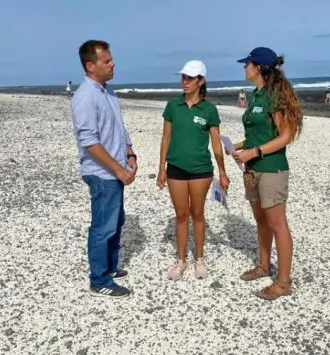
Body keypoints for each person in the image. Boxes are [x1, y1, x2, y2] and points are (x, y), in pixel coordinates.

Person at [230, 47, 303, 300]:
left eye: (247, 64)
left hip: (272, 169)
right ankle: (263, 266)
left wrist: (254, 152)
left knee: (277, 224)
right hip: (253, 168)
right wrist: (237, 146)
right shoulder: (255, 95)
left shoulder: (274, 96)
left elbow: (286, 136)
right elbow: (259, 133)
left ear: (258, 67)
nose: (244, 68)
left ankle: (283, 282)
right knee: (261, 220)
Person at [71, 40, 138, 298]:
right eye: (107, 61)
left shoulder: (107, 92)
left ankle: (109, 267)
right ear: (90, 65)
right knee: (103, 226)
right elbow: (89, 142)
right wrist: (118, 170)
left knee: (116, 220)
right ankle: (99, 279)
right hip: (102, 174)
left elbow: (119, 129)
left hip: (116, 170)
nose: (113, 64)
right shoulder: (85, 97)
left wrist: (130, 153)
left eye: (111, 59)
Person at [156, 60, 230, 280]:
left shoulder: (209, 109)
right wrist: (161, 168)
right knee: (181, 215)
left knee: (197, 214)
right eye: (183, 77)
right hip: (175, 168)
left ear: (201, 81)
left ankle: (199, 259)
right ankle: (180, 261)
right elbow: (166, 137)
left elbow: (216, 142)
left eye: (189, 78)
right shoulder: (173, 106)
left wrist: (223, 172)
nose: (184, 81)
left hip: (201, 170)